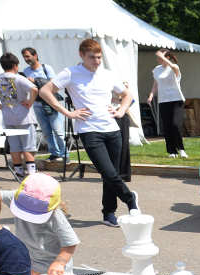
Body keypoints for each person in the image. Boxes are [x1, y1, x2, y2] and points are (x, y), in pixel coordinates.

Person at [39, 39, 139, 227]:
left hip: (112, 129)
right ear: (82, 55)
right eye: (92, 57)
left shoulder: (107, 75)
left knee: (112, 174)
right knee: (108, 172)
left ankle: (108, 213)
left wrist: (121, 111)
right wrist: (67, 112)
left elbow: (128, 95)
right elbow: (45, 91)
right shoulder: (71, 73)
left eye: (99, 57)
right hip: (89, 129)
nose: (96, 61)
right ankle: (130, 198)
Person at [0, 173, 94, 275]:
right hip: (30, 263)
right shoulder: (19, 197)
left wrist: (59, 262)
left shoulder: (55, 215)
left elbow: (70, 242)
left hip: (56, 269)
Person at [0, 53, 39, 179]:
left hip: (7, 115)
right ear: (15, 66)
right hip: (23, 115)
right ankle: (32, 173)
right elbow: (34, 89)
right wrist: (30, 102)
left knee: (14, 146)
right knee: (28, 146)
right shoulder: (19, 78)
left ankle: (18, 172)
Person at [21, 47, 68, 163]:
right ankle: (54, 152)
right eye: (24, 57)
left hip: (50, 103)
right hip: (37, 104)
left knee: (58, 131)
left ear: (35, 56)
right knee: (46, 132)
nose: (26, 59)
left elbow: (53, 83)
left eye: (28, 56)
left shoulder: (46, 68)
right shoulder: (25, 71)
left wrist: (35, 81)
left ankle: (65, 154)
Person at [147, 50, 187, 159]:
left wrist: (163, 57)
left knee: (176, 124)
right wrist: (151, 96)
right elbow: (155, 85)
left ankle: (181, 149)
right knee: (168, 126)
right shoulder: (157, 70)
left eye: (161, 57)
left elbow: (174, 68)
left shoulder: (174, 68)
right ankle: (172, 151)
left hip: (176, 100)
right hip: (163, 101)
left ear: (167, 58)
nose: (158, 58)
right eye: (158, 57)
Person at [113, 80, 134, 182]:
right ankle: (113, 173)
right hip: (105, 117)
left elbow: (129, 98)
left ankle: (123, 174)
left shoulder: (107, 78)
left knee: (122, 145)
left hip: (118, 114)